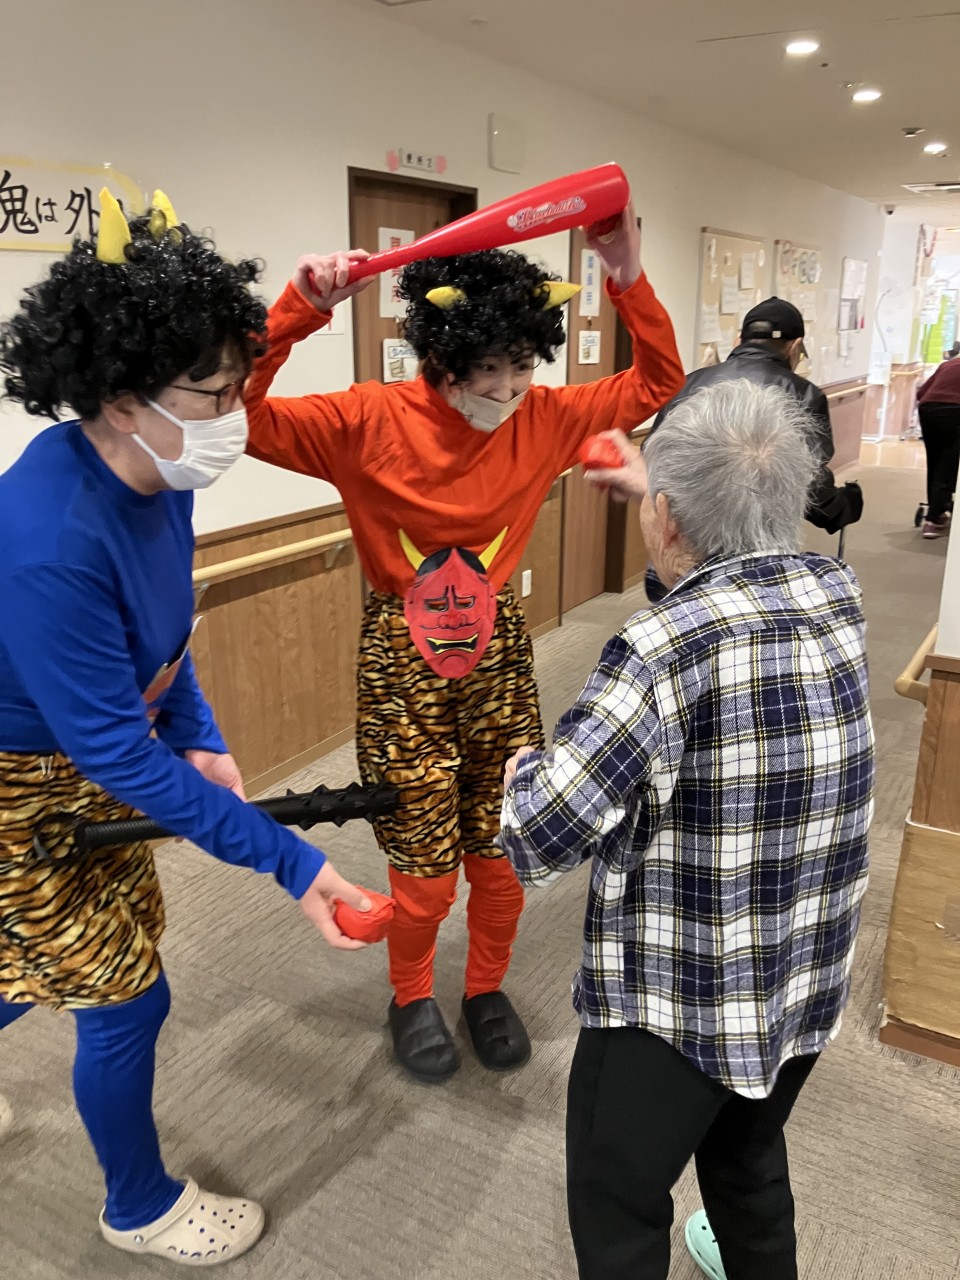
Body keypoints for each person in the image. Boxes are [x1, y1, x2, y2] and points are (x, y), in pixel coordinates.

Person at [0, 191, 371, 1267]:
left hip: (88, 753)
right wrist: (296, 865)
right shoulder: (48, 537)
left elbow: (166, 630)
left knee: (32, 956)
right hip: (25, 788)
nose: (235, 413)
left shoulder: (160, 470)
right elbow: (116, 751)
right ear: (121, 400)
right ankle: (139, 1206)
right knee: (125, 996)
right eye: (214, 392)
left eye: (238, 383)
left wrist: (198, 729)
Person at [242, 202, 685, 1083]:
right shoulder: (365, 419)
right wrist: (297, 309)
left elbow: (657, 381)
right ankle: (410, 995)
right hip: (398, 658)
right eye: (488, 369)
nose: (509, 389)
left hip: (499, 655)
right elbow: (243, 417)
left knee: (500, 843)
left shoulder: (546, 416)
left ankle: (485, 987)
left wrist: (626, 272)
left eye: (523, 365)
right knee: (423, 861)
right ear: (442, 359)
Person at [499, 379, 876, 1280]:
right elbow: (728, 583)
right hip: (798, 978)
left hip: (679, 1004)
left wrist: (521, 776)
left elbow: (542, 833)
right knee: (748, 1167)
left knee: (617, 1203)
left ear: (665, 518)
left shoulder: (660, 649)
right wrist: (674, 493)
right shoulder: (838, 594)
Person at [641, 297, 862, 602]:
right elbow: (808, 482)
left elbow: (654, 457)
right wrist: (844, 507)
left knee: (676, 620)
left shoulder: (689, 383)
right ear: (795, 345)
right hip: (755, 545)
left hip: (682, 538)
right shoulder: (804, 394)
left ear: (739, 340)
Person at [916, 343, 960, 538]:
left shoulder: (948, 365)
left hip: (928, 410)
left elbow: (921, 393)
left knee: (935, 460)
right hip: (955, 411)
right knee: (948, 462)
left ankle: (938, 510)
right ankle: (934, 519)